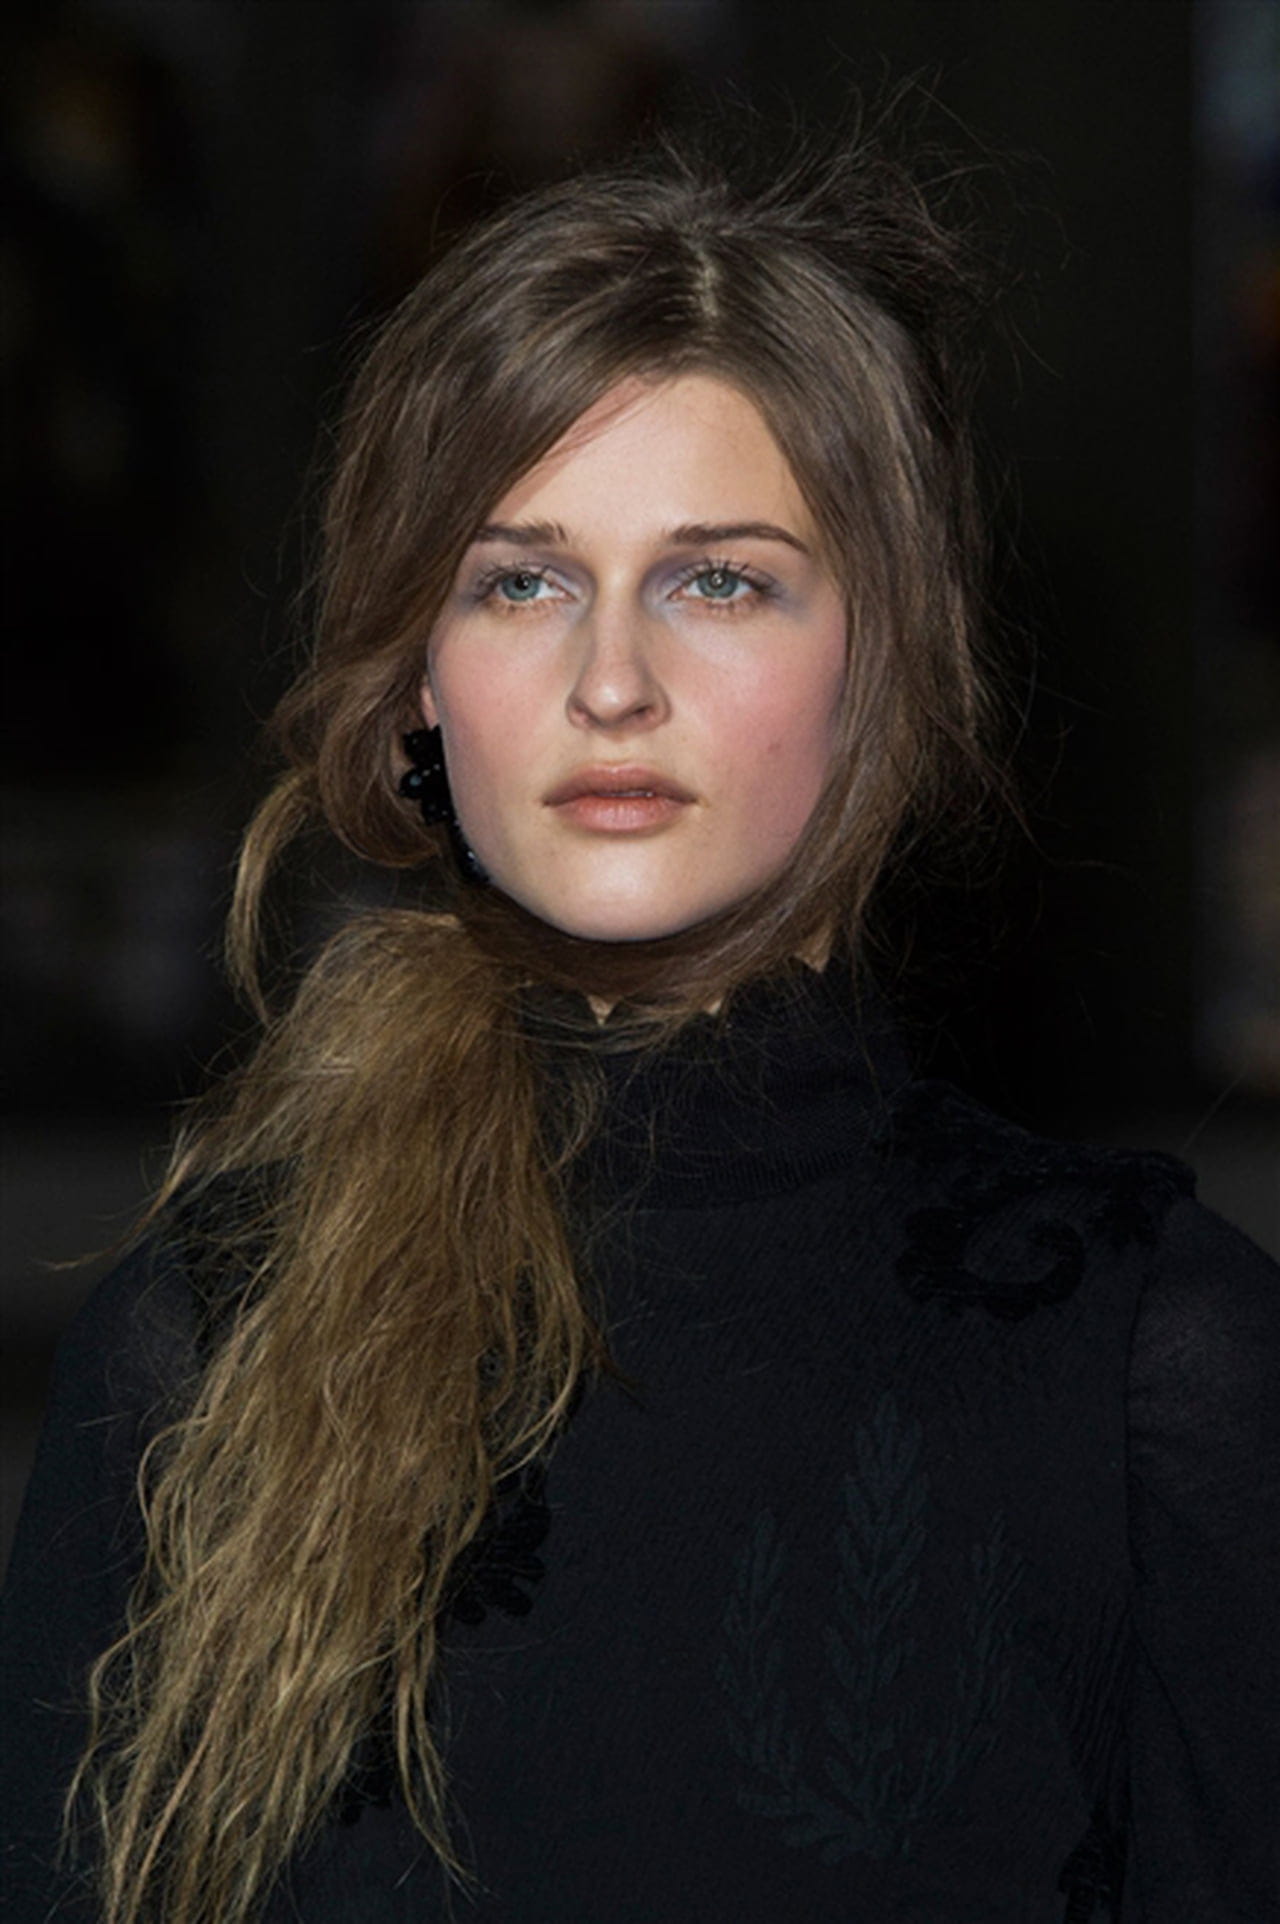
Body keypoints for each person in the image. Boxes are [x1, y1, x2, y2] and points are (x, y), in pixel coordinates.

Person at [2, 133, 1277, 1924]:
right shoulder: (202, 1344)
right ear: (420, 693)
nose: (610, 682)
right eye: (519, 581)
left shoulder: (1156, 1368)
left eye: (718, 580)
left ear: (888, 662)